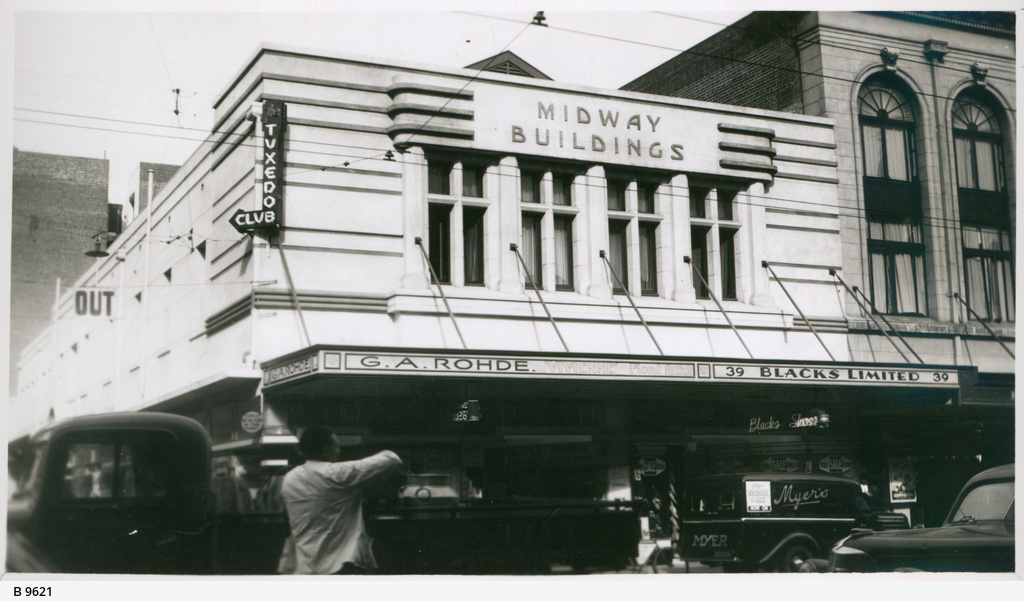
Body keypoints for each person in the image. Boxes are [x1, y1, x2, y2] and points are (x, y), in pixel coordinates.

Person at [279, 426, 403, 575]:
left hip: (303, 565)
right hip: (340, 565)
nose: (340, 451)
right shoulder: (338, 473)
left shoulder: (289, 478)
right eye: (336, 447)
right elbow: (391, 459)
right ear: (326, 450)